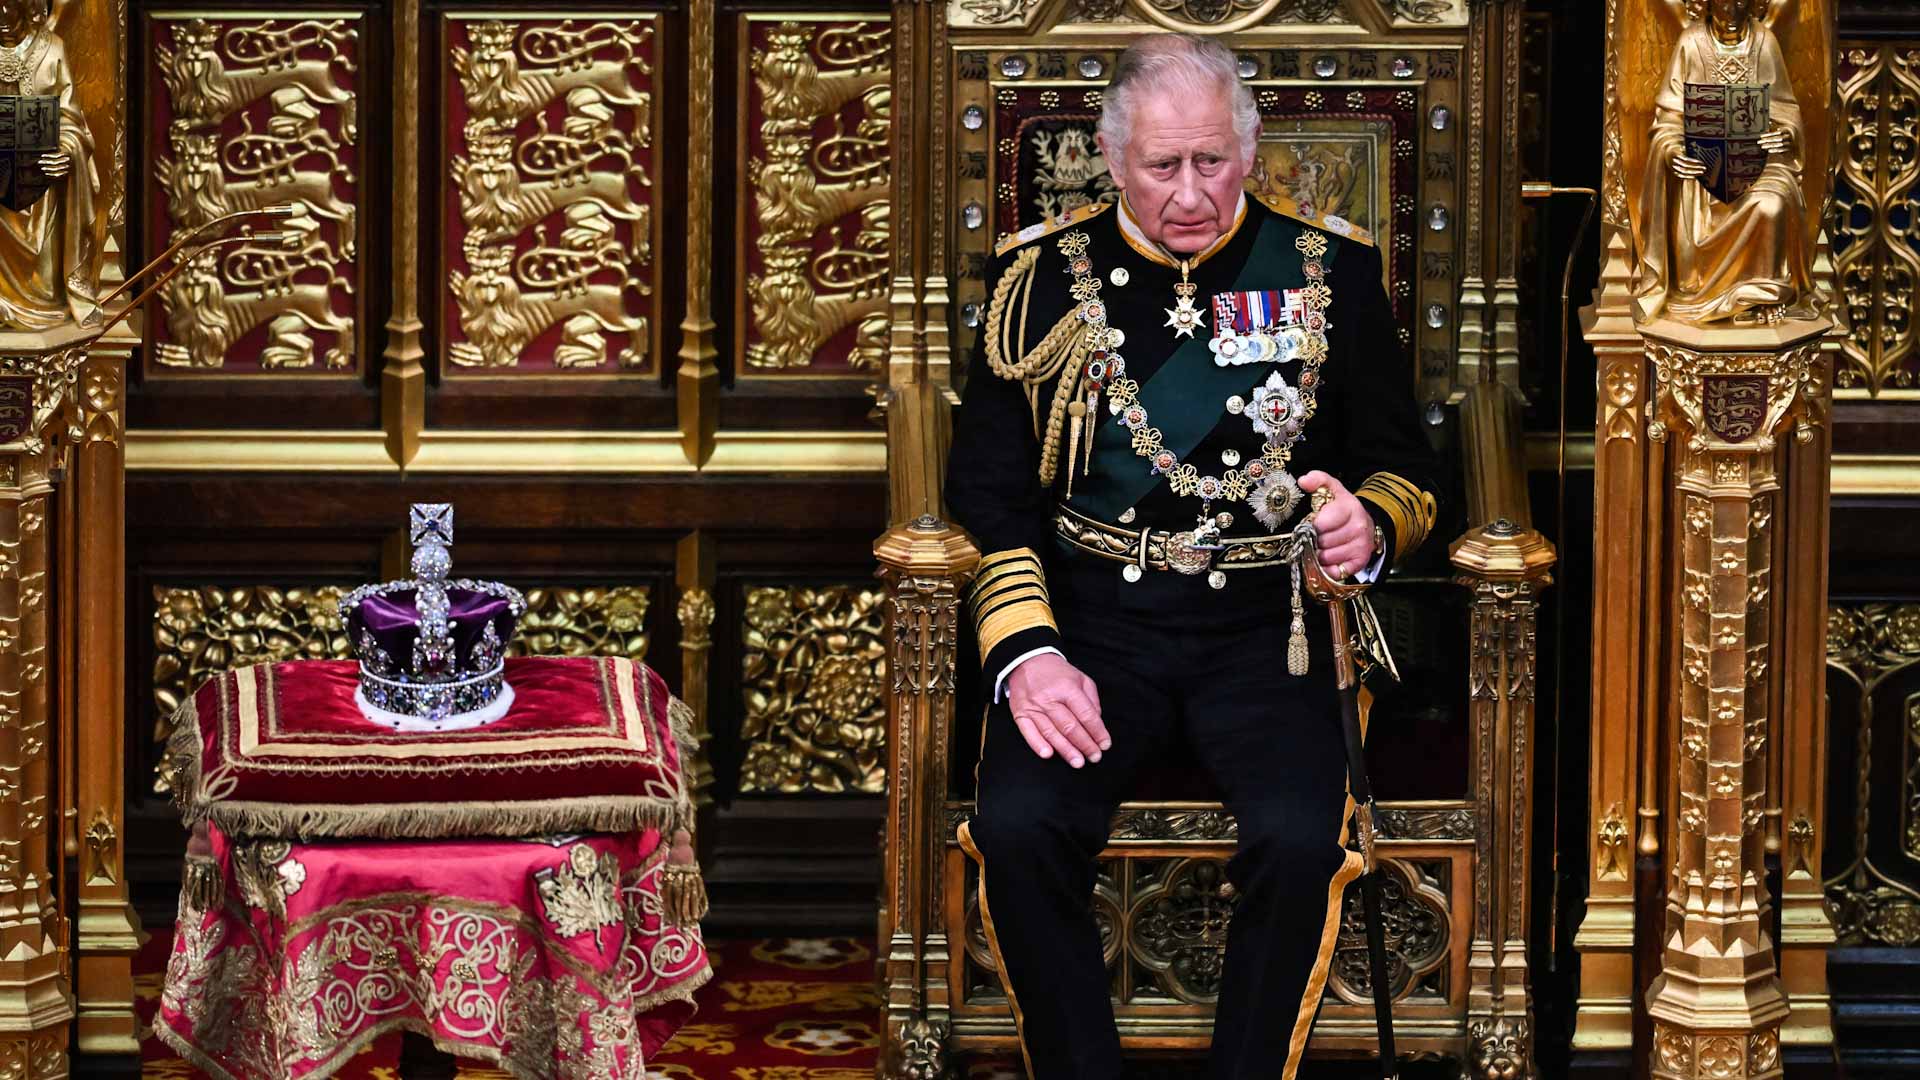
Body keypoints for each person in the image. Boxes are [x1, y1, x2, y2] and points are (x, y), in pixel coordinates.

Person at [945, 32, 1445, 1080]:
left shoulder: (1329, 273)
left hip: (1275, 629)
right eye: (1163, 165)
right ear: (1113, 158)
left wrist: (1366, 527)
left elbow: (1407, 470)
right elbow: (990, 498)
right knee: (1022, 824)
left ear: (1250, 151)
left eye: (1211, 162)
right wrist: (1027, 652)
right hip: (1091, 621)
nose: (1188, 194)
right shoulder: (1037, 282)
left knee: (1299, 838)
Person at [1633, 0, 1814, 324]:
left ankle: (1764, 294)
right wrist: (1674, 151)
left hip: (1759, 163)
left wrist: (1786, 134)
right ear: (1706, 3)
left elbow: (1786, 110)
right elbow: (1669, 120)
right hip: (1702, 166)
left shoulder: (1764, 43)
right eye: (1723, 3)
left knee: (1772, 204)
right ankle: (1693, 290)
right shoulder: (1691, 42)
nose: (1731, 12)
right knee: (1690, 218)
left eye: (1740, 2)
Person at [0, 0, 99, 330]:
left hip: (41, 189)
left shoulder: (52, 49)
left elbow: (72, 122)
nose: (3, 17)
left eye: (9, 6)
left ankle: (42, 296)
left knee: (44, 273)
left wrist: (67, 151)